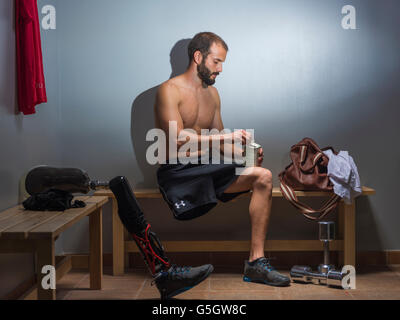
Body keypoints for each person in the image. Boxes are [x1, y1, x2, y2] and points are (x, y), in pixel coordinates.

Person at [154, 32, 290, 289]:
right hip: (179, 172)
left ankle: (256, 263)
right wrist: (221, 140)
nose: (220, 69)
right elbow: (176, 138)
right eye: (216, 61)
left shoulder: (213, 95)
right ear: (198, 57)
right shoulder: (169, 90)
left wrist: (243, 156)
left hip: (208, 168)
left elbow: (221, 143)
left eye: (222, 63)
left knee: (263, 176)